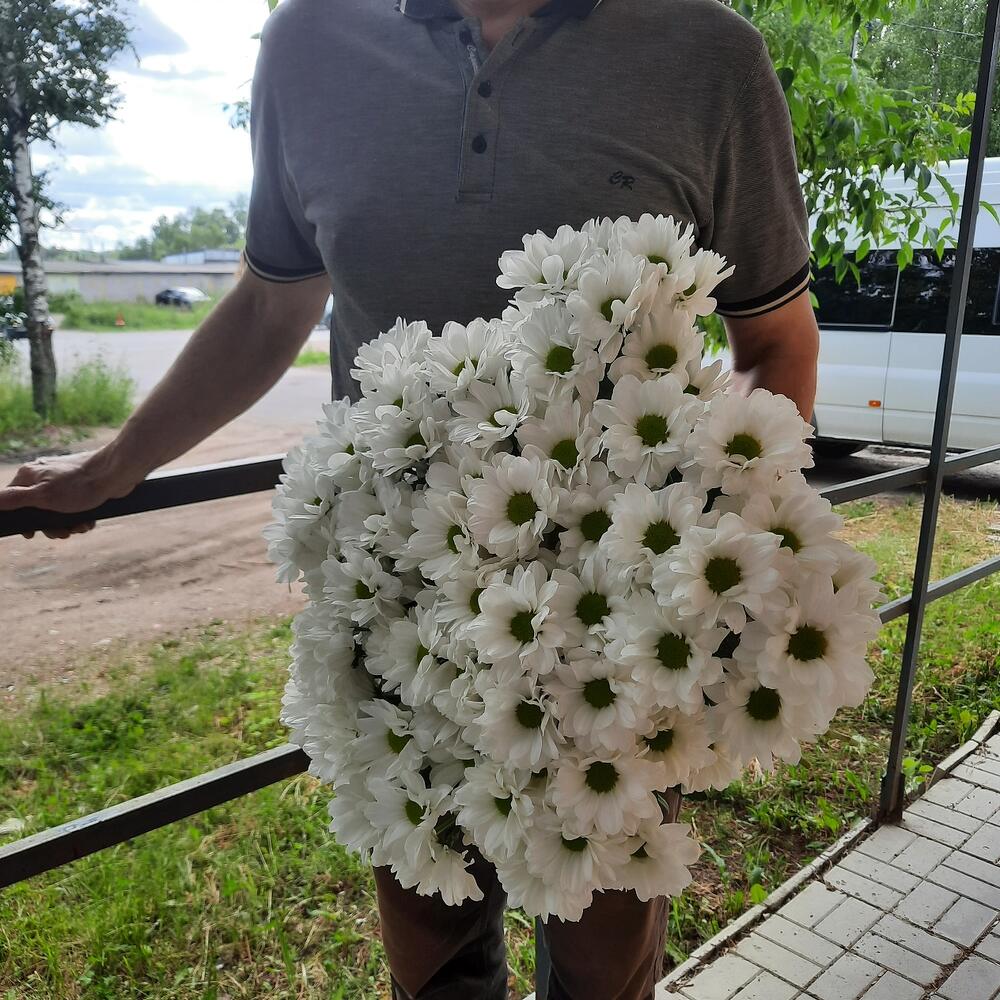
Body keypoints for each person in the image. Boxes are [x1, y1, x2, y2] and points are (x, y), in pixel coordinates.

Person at [0, 0, 820, 996]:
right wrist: (115, 463)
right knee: (433, 953)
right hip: (400, 617)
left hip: (619, 626)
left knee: (605, 967)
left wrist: (735, 558)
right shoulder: (310, 43)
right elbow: (268, 304)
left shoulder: (708, 55)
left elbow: (775, 338)